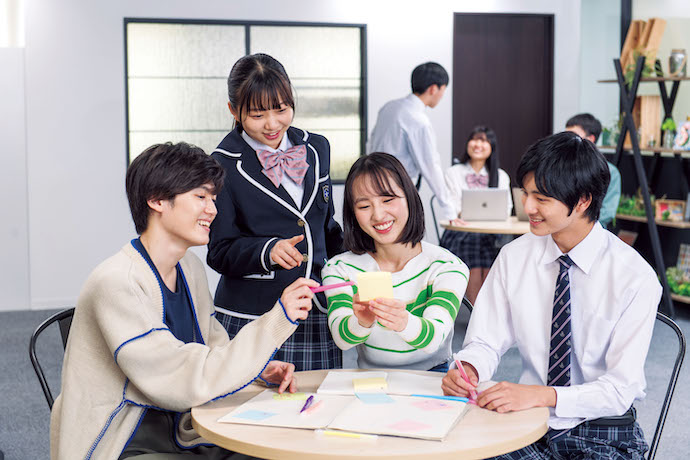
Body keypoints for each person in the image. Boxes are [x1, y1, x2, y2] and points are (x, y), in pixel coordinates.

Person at [50, 142, 317, 459]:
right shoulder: (117, 281)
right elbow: (181, 379)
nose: (213, 209)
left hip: (184, 425)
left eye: (213, 199)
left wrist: (255, 371)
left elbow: (210, 344)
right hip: (126, 439)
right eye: (201, 197)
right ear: (157, 200)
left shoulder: (189, 267)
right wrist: (278, 319)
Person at [442, 132, 661, 459]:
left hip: (601, 426)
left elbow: (619, 389)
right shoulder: (514, 257)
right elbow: (485, 341)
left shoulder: (635, 277)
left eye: (542, 198)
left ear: (584, 200)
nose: (528, 207)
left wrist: (544, 396)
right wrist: (470, 368)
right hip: (529, 420)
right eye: (526, 194)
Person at [207, 53, 344, 372]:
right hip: (257, 317)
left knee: (318, 410)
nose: (272, 124)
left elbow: (327, 228)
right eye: (257, 114)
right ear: (234, 111)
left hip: (317, 309)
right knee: (252, 413)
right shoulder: (222, 165)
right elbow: (219, 251)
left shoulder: (317, 148)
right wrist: (267, 251)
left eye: (281, 109)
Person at [322, 152, 469, 372]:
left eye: (388, 200)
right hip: (370, 380)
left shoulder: (447, 267)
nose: (379, 215)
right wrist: (362, 321)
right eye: (364, 206)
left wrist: (403, 321)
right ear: (353, 215)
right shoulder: (339, 269)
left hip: (432, 377)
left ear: (409, 197)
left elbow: (433, 339)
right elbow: (342, 339)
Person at [367, 62, 456, 221]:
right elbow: (430, 165)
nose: (442, 95)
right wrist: (449, 209)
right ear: (434, 89)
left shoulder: (389, 107)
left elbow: (371, 144)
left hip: (373, 185)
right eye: (443, 90)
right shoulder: (418, 120)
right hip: (397, 191)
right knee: (403, 240)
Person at [440, 126, 512, 304]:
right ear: (467, 144)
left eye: (484, 140)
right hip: (460, 231)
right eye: (475, 139)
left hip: (492, 233)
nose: (478, 144)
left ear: (492, 147)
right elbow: (453, 205)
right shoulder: (453, 173)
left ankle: (484, 312)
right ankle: (476, 313)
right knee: (475, 257)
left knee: (492, 260)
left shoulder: (501, 175)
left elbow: (507, 207)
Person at [565, 113, 621, 227]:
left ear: (590, 139)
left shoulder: (610, 172)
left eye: (573, 136)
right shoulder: (563, 166)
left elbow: (608, 212)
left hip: (592, 231)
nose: (568, 140)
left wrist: (576, 223)